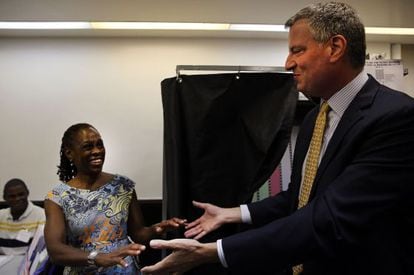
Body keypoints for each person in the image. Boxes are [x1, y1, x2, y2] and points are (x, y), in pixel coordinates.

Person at [141, 2, 414, 275]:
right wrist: (233, 213)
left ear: (335, 48)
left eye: (297, 50)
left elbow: (330, 218)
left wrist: (216, 251)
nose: (288, 63)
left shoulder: (395, 117)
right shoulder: (314, 119)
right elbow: (299, 197)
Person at [44, 123, 186, 274]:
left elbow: (138, 234)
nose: (97, 151)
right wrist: (97, 257)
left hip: (123, 270)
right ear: (69, 153)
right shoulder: (57, 197)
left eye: (100, 145)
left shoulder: (123, 186)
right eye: (88, 147)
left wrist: (156, 229)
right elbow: (55, 251)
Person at [0, 178, 46, 255]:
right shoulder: (1, 215)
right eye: (12, 196)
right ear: (5, 198)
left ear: (27, 193)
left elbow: (43, 250)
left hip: (28, 264)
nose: (17, 199)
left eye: (21, 194)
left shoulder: (41, 215)